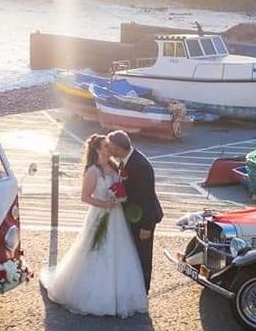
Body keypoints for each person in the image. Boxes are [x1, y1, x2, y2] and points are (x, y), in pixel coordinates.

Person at [39, 134, 147, 317]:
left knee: (120, 252)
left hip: (117, 216)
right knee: (96, 250)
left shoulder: (115, 166)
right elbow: (85, 197)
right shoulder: (93, 171)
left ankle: (121, 295)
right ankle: (94, 295)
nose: (110, 149)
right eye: (106, 146)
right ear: (97, 149)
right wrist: (107, 204)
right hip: (100, 215)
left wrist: (121, 198)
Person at [107, 130, 163, 293]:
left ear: (118, 147)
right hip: (133, 216)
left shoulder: (140, 165)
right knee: (134, 253)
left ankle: (142, 290)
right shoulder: (126, 161)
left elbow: (146, 197)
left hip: (144, 219)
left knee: (143, 255)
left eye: (111, 147)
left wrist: (145, 226)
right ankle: (133, 287)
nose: (110, 151)